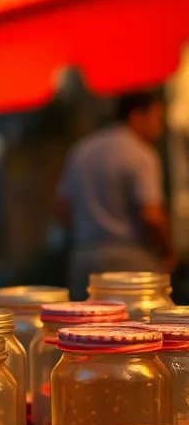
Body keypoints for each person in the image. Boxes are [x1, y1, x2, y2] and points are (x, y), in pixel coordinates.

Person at [56, 89, 173, 296]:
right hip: (128, 257)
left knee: (83, 315)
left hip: (84, 257)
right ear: (136, 116)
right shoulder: (141, 153)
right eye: (156, 118)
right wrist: (168, 251)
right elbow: (151, 215)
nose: (159, 128)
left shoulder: (81, 149)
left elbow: (62, 208)